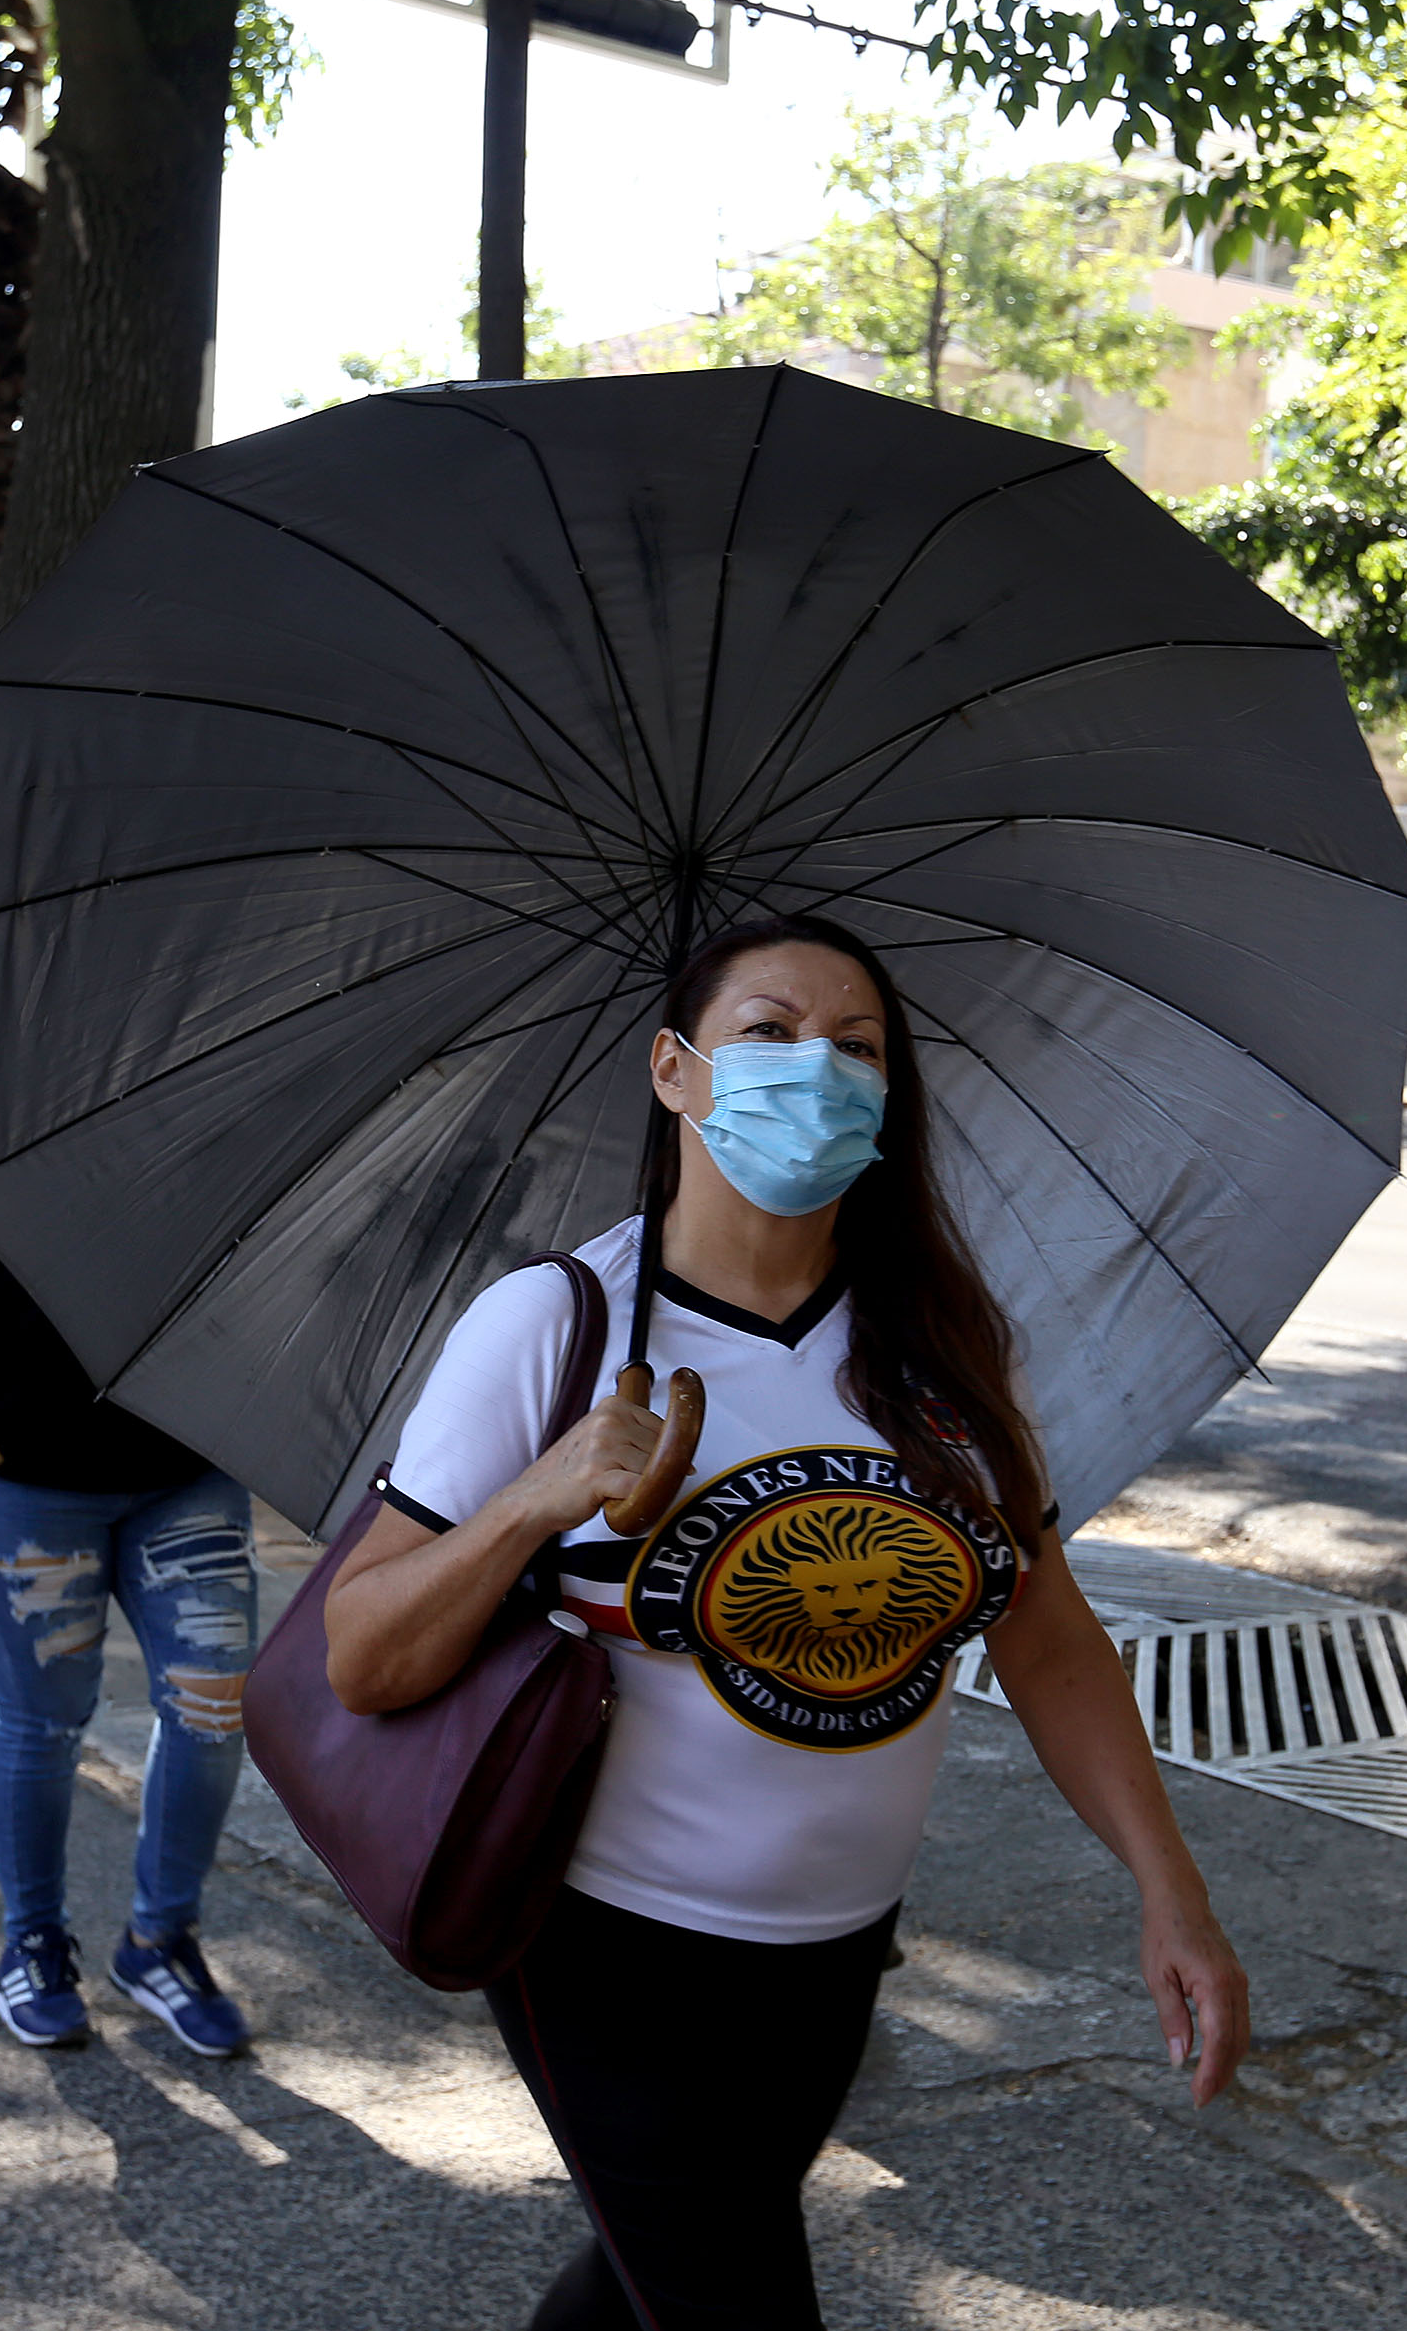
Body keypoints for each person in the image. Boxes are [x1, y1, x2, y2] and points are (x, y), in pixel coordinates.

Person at [323, 913, 1251, 2331]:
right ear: (673, 1070)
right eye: (767, 1032)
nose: (815, 1067)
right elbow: (362, 1652)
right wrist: (538, 1497)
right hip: (607, 1943)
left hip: (835, 1946)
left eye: (856, 1045)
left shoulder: (942, 1347)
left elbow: (1046, 1633)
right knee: (730, 2298)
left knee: (652, 2280)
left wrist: (1168, 1884)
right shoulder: (555, 1324)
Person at [0, 1113, 257, 2056]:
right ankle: (33, 1942)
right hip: (17, 1468)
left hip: (186, 1461)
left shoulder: (231, 1087)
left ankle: (160, 1941)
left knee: (214, 1704)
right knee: (43, 1720)